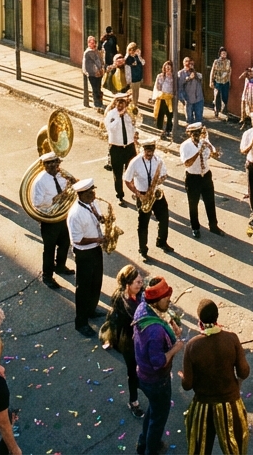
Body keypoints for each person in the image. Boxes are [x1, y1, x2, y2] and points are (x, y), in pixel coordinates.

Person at [181, 298, 251, 455]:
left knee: (199, 449)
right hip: (231, 403)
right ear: (217, 317)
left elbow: (187, 385)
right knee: (236, 449)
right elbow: (243, 372)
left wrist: (183, 376)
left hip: (202, 406)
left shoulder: (192, 345)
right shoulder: (232, 339)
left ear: (199, 320)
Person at [133, 276, 185, 455]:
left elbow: (165, 314)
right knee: (159, 417)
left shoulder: (143, 307)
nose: (169, 301)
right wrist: (175, 348)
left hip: (142, 374)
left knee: (153, 411)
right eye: (166, 299)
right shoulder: (155, 332)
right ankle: (150, 449)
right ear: (156, 301)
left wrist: (172, 323)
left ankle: (142, 443)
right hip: (156, 381)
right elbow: (159, 362)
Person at [102, 265, 146, 420]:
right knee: (132, 371)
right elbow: (139, 318)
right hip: (129, 341)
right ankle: (133, 402)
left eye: (141, 281)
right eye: (137, 282)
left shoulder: (138, 293)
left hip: (139, 338)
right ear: (128, 285)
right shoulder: (124, 302)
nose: (141, 284)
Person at [67, 178, 104, 336]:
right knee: (83, 288)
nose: (93, 194)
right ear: (81, 195)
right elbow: (77, 239)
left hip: (96, 249)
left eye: (93, 191)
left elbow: (99, 218)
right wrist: (98, 239)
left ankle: (91, 310)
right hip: (84, 252)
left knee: (96, 282)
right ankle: (81, 323)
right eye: (90, 193)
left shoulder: (93, 203)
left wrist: (104, 221)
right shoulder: (75, 214)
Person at [31, 152, 74, 288]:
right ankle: (47, 276)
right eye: (48, 163)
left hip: (62, 215)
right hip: (49, 218)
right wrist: (54, 199)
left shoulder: (62, 175)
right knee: (49, 249)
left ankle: (60, 266)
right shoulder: (40, 181)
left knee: (65, 242)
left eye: (54, 162)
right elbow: (37, 202)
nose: (52, 166)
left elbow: (69, 190)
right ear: (44, 165)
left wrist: (73, 185)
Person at [125, 137, 173, 260]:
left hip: (155, 193)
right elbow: (127, 180)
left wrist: (160, 180)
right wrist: (137, 193)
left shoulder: (158, 160)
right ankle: (143, 249)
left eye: (151, 150)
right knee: (143, 224)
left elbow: (164, 175)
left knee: (164, 218)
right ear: (143, 149)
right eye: (147, 150)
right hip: (142, 194)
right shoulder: (135, 162)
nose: (149, 153)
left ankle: (161, 241)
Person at [180, 122, 223, 238]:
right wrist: (197, 152)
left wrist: (215, 152)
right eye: (194, 133)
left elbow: (214, 155)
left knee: (210, 202)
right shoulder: (185, 146)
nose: (197, 135)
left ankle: (213, 226)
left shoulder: (205, 142)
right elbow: (187, 163)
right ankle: (195, 227)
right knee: (193, 204)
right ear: (189, 133)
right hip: (193, 177)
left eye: (198, 132)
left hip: (206, 176)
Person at [105, 93, 138, 206]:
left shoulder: (129, 114)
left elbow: (132, 127)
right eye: (118, 103)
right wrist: (119, 116)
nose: (120, 105)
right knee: (118, 175)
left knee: (133, 171)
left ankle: (136, 192)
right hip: (116, 148)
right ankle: (120, 196)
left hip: (129, 147)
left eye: (123, 103)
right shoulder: (111, 114)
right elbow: (110, 128)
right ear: (115, 103)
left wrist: (135, 131)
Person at [178, 56, 205, 125]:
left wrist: (194, 73)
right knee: (189, 120)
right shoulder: (181, 73)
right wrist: (183, 100)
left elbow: (200, 81)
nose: (188, 63)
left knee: (199, 120)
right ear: (183, 63)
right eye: (186, 61)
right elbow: (180, 86)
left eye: (190, 62)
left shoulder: (196, 73)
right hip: (188, 99)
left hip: (198, 98)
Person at [152, 60, 174, 136]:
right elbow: (157, 86)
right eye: (166, 68)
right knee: (160, 114)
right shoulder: (160, 76)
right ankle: (159, 129)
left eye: (169, 68)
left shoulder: (174, 77)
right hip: (161, 97)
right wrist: (159, 94)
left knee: (169, 114)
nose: (167, 69)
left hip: (170, 98)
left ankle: (168, 129)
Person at [83, 36, 105, 108]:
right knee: (95, 89)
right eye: (92, 43)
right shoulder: (87, 53)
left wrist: (102, 67)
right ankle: (97, 103)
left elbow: (100, 60)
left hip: (99, 74)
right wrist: (96, 71)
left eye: (94, 43)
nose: (94, 44)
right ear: (88, 43)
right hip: (93, 74)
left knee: (98, 88)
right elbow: (89, 65)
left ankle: (99, 102)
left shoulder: (96, 51)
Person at [210, 48, 232, 120]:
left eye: (225, 53)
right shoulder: (216, 61)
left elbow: (229, 72)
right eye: (222, 53)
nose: (224, 55)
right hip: (218, 81)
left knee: (225, 96)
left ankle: (224, 110)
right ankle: (216, 110)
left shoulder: (228, 62)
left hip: (225, 81)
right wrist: (211, 81)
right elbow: (213, 71)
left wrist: (229, 81)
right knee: (217, 96)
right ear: (220, 54)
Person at [125, 42, 146, 111]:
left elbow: (143, 63)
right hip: (132, 78)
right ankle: (133, 106)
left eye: (133, 50)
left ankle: (135, 104)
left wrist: (139, 55)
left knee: (137, 92)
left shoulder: (137, 57)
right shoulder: (128, 58)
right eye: (130, 50)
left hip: (138, 77)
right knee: (133, 93)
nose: (132, 52)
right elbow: (127, 69)